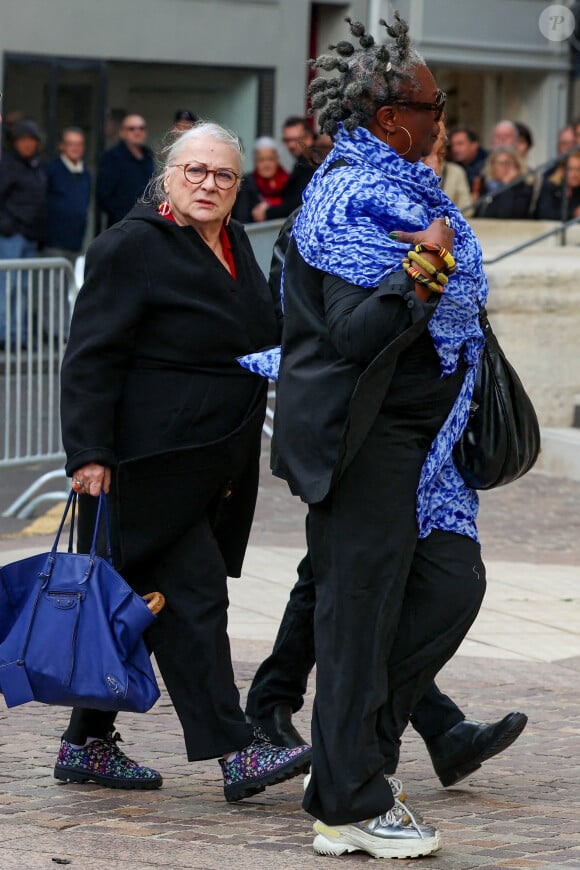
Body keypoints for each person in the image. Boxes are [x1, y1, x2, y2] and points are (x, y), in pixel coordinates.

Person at [249, 13, 493, 859]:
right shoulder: (352, 192)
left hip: (422, 447)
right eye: (434, 103)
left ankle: (353, 762)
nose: (442, 118)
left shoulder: (407, 184)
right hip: (364, 440)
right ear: (393, 115)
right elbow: (354, 332)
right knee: (357, 618)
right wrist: (424, 268)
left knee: (450, 587)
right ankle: (351, 800)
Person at [56, 120, 311, 803]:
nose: (208, 184)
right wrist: (88, 453)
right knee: (194, 596)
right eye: (195, 171)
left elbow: (259, 328)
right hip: (145, 461)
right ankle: (235, 749)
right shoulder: (130, 246)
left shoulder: (232, 243)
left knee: (129, 602)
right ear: (167, 176)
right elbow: (90, 357)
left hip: (212, 462)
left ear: (238, 188)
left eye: (223, 175)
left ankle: (86, 741)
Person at [0, 119, 47, 348]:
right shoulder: (7, 164)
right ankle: (4, 334)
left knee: (24, 288)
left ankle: (19, 335)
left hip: (29, 234)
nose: (28, 145)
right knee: (7, 286)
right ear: (15, 143)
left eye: (32, 140)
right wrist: (7, 225)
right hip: (12, 234)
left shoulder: (36, 165)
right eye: (23, 140)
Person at [44, 127, 91, 336]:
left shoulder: (86, 173)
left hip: (76, 241)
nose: (75, 148)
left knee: (72, 289)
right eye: (70, 144)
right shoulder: (52, 170)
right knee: (52, 290)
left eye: (79, 144)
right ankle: (53, 332)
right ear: (62, 146)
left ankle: (67, 330)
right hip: (54, 240)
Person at [250, 116, 316, 222]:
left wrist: (267, 212)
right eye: (287, 140)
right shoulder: (305, 161)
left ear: (308, 138)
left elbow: (299, 203)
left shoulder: (310, 162)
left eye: (296, 140)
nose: (291, 145)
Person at [96, 113, 154, 227]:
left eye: (141, 128)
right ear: (122, 132)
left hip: (146, 224)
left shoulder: (148, 156)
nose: (137, 132)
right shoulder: (112, 157)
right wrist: (123, 217)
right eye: (132, 129)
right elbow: (103, 196)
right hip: (120, 225)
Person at [232, 136, 289, 223]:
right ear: (255, 162)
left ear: (277, 160)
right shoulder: (247, 183)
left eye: (270, 159)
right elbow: (242, 218)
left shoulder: (288, 181)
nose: (266, 164)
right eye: (261, 160)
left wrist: (270, 211)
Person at [422, 120, 472, 212]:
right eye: (424, 156)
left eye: (440, 153)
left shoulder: (456, 172)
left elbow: (467, 209)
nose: (434, 168)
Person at [476, 146, 532, 218]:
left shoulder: (524, 188)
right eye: (501, 163)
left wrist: (507, 184)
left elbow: (505, 215)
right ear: (492, 167)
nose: (505, 167)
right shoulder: (485, 186)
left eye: (508, 163)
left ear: (517, 166)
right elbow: (485, 215)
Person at [535, 148, 580, 221]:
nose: (575, 174)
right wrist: (573, 213)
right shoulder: (550, 187)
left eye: (579, 169)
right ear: (562, 170)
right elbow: (543, 214)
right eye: (571, 169)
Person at [448, 126, 487, 195]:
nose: (455, 149)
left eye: (460, 144)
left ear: (474, 145)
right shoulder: (451, 165)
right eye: (453, 145)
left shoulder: (488, 165)